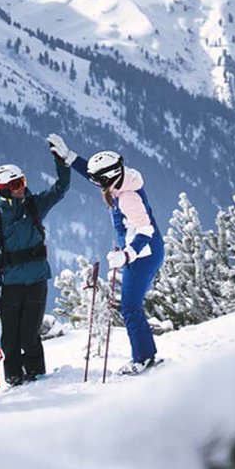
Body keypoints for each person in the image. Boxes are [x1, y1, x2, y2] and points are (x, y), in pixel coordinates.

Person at [0, 134, 76, 385]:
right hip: (10, 285)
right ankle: (14, 378)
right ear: (3, 190)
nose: (21, 187)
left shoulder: (34, 205)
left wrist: (62, 162)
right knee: (10, 336)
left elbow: (61, 188)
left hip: (36, 280)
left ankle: (37, 376)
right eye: (15, 184)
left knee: (29, 334)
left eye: (22, 181)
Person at [81, 148, 164, 375]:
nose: (97, 184)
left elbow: (145, 230)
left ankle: (143, 359)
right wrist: (69, 157)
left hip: (143, 255)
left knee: (129, 307)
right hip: (141, 252)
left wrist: (127, 255)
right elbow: (92, 174)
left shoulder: (127, 197)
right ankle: (147, 354)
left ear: (109, 177)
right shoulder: (121, 182)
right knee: (131, 306)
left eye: (99, 180)